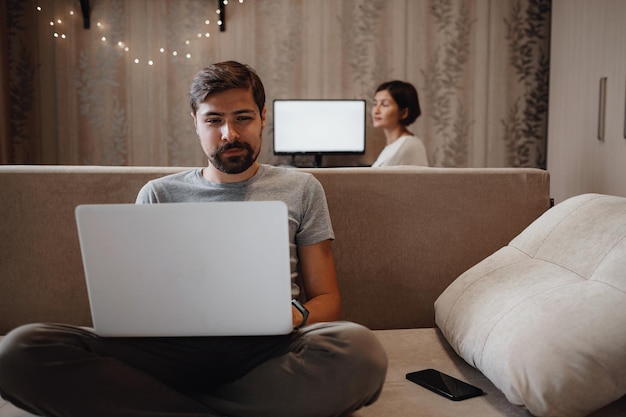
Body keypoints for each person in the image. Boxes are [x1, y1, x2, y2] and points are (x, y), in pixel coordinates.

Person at [0, 61, 387, 417]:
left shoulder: (301, 187)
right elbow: (134, 298)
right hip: (167, 352)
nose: (229, 134)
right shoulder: (158, 193)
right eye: (214, 120)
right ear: (195, 122)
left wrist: (290, 315)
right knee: (18, 352)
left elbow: (327, 300)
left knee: (359, 351)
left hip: (265, 352)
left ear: (263, 118)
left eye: (243, 118)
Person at [371, 80, 429, 167]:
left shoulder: (408, 145)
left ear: (404, 113)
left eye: (385, 104)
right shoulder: (394, 146)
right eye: (375, 103)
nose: (376, 110)